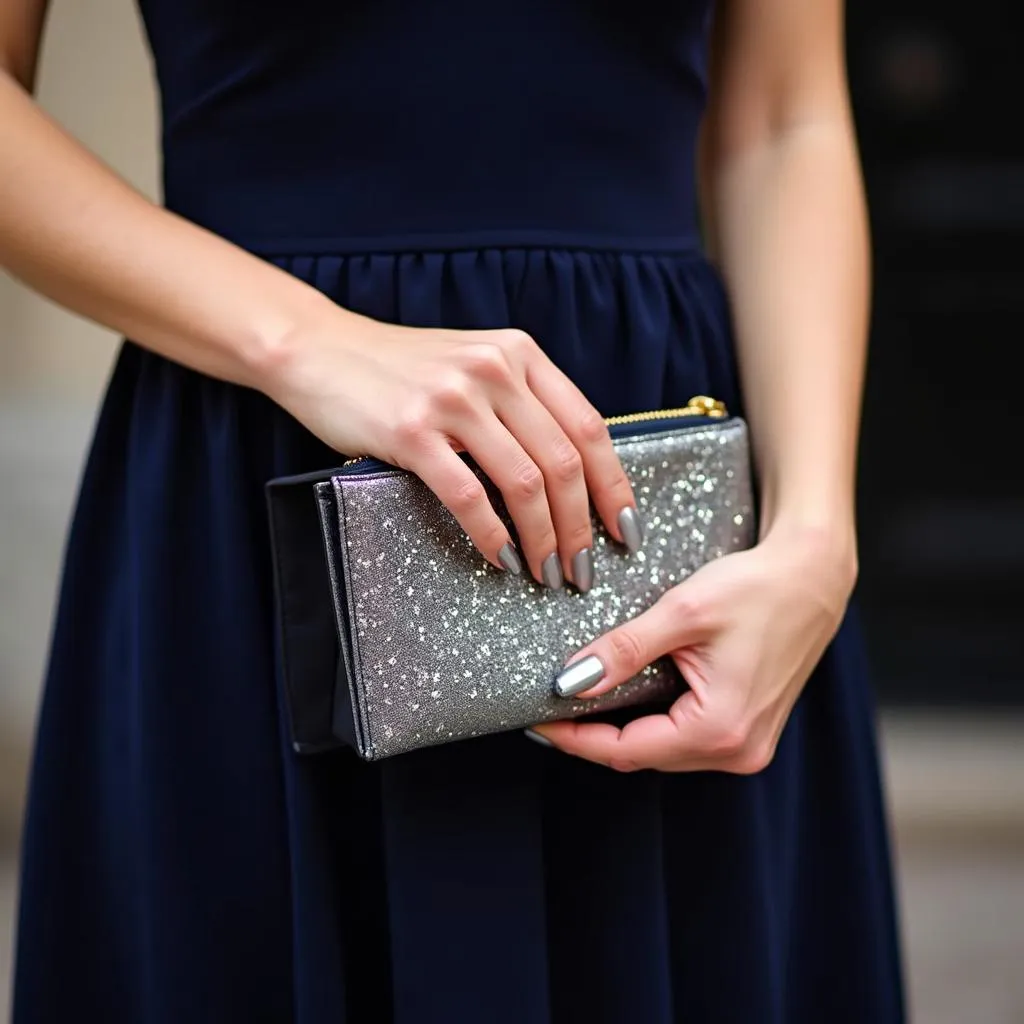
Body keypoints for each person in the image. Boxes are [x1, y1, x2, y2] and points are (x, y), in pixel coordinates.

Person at [2, 0, 905, 1021]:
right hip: (265, 471)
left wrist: (817, 537)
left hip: (658, 525)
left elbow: (786, 120)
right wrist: (303, 343)